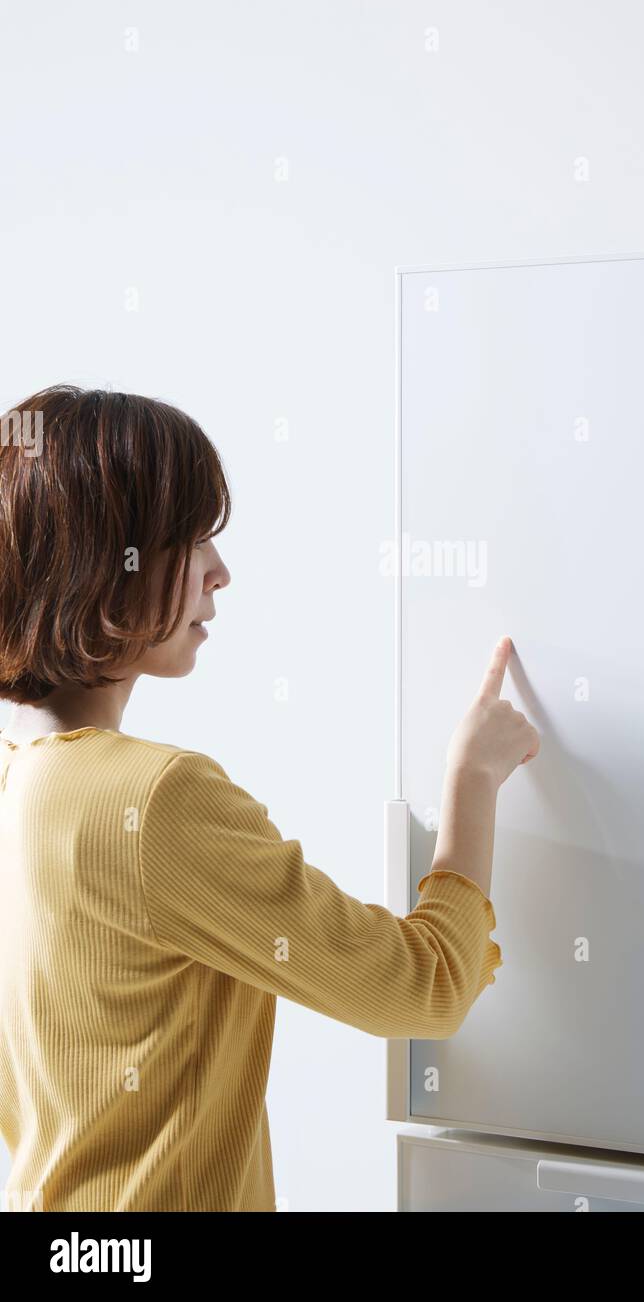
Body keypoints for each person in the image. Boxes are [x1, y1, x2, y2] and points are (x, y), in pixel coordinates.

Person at [0, 384, 540, 1212]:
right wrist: (473, 780)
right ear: (106, 564)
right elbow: (422, 988)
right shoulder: (152, 802)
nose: (221, 570)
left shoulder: (18, 783)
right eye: (187, 540)